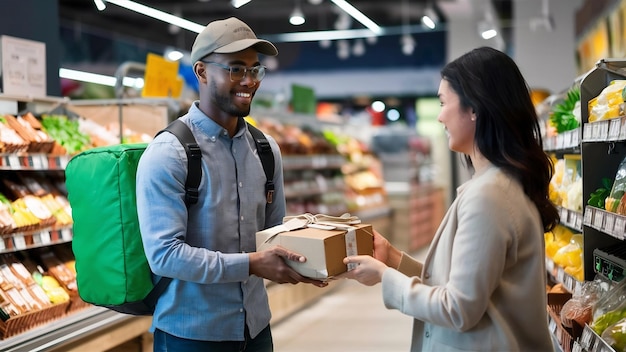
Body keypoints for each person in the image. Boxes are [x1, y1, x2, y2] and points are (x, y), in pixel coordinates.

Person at [342, 46, 560, 351]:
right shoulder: (496, 185)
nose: (441, 116)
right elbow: (461, 285)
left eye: (444, 102)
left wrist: (384, 277)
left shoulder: (489, 196)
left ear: (475, 109)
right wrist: (392, 259)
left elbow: (459, 308)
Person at [136, 17, 326, 352]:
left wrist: (310, 258)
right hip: (190, 334)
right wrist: (251, 263)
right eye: (236, 69)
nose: (249, 81)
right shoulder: (169, 153)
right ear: (202, 72)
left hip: (255, 329)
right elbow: (164, 255)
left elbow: (275, 234)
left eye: (255, 70)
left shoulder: (266, 150)